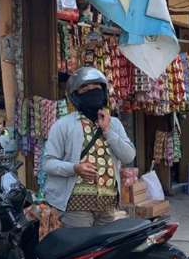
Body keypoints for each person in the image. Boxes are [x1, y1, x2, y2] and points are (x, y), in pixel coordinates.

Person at [42, 67, 135, 228]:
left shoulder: (114, 124)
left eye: (96, 88)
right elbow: (48, 164)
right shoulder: (63, 125)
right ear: (75, 96)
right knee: (81, 243)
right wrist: (74, 168)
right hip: (76, 205)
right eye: (85, 89)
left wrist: (108, 131)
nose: (92, 91)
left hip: (107, 204)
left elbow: (129, 156)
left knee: (105, 244)